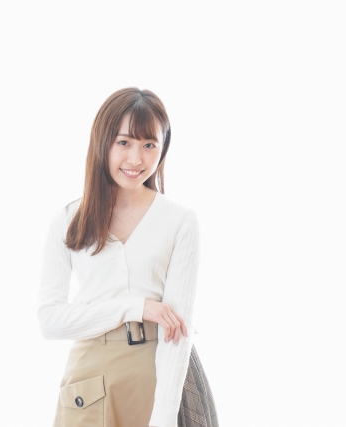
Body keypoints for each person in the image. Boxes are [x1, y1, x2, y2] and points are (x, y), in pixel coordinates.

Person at [38, 87, 218, 427]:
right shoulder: (69, 219)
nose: (136, 159)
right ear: (102, 142)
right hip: (89, 379)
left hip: (155, 377)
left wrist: (164, 417)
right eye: (124, 142)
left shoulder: (179, 221)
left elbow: (178, 332)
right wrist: (135, 307)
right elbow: (50, 321)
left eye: (149, 145)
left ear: (163, 148)